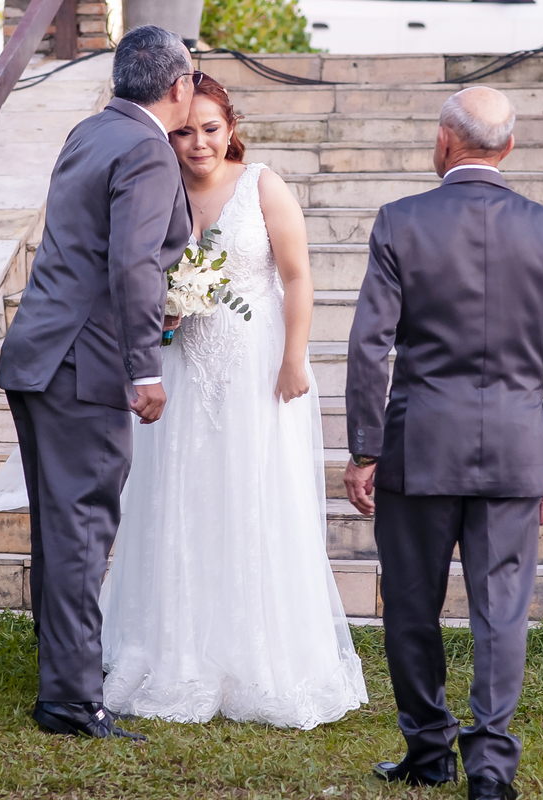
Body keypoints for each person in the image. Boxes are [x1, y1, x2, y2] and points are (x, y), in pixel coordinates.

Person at [98, 73, 368, 729]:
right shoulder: (160, 186)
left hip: (257, 367)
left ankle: (258, 652)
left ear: (232, 127)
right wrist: (165, 317)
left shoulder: (263, 185)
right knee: (181, 495)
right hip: (183, 366)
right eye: (185, 131)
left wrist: (295, 358)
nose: (198, 144)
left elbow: (298, 277)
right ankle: (177, 648)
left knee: (254, 493)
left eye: (211, 129)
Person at [344, 86, 543, 799]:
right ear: (508, 147)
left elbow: (369, 346)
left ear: (445, 140)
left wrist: (364, 448)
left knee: (411, 607)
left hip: (419, 448)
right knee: (502, 612)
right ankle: (490, 771)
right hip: (515, 452)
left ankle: (428, 752)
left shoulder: (400, 221)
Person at [0, 25, 196, 741]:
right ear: (179, 86)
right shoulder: (147, 148)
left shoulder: (90, 131)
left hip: (39, 353)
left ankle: (63, 681)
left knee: (61, 530)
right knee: (81, 531)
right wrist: (146, 367)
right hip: (85, 361)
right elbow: (134, 264)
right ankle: (74, 701)